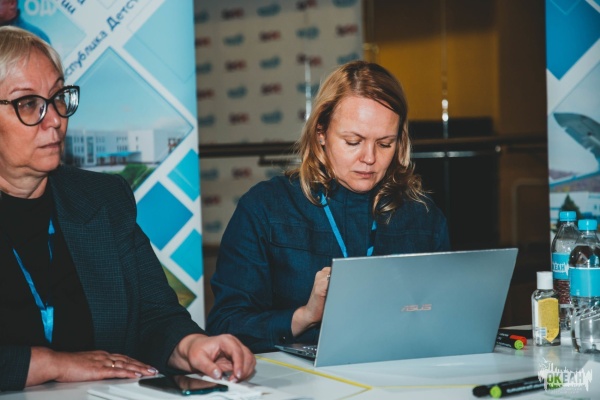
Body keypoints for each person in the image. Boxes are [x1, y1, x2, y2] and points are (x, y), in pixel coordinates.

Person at [0, 26, 255, 392]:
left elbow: (153, 315)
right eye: (28, 104)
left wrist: (190, 346)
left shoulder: (102, 199)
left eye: (58, 97)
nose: (55, 119)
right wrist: (48, 363)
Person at [206, 60, 451, 353]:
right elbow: (225, 325)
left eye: (385, 144)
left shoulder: (421, 216)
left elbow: (446, 317)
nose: (369, 158)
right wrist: (304, 317)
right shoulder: (266, 209)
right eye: (353, 141)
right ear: (320, 132)